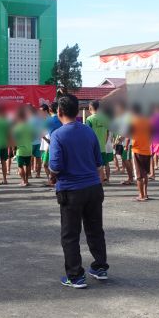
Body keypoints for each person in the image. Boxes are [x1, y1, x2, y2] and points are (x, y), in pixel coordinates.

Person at [48, 94, 108, 289]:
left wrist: (52, 175)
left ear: (59, 112)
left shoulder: (58, 134)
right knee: (95, 229)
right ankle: (100, 267)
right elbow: (98, 160)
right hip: (93, 187)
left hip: (71, 190)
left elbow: (55, 165)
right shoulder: (88, 131)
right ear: (77, 111)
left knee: (70, 234)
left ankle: (75, 275)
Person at [129, 104, 153, 201]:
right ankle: (146, 194)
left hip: (137, 150)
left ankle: (141, 195)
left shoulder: (133, 121)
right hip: (147, 150)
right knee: (145, 174)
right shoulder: (148, 121)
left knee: (138, 175)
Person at [85, 101, 112, 183]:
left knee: (94, 165)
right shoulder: (106, 118)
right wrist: (105, 141)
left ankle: (97, 181)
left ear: (90, 108)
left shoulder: (89, 119)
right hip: (103, 146)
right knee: (106, 163)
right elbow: (108, 132)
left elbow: (87, 133)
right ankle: (107, 180)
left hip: (93, 146)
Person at [41, 102, 63, 186]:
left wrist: (47, 140)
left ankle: (52, 181)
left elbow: (41, 133)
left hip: (52, 145)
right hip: (62, 144)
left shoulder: (48, 120)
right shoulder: (61, 118)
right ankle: (55, 180)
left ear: (50, 110)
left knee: (47, 164)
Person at [12, 106, 35, 186]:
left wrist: (13, 149)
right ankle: (27, 181)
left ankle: (23, 181)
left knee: (20, 166)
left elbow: (14, 140)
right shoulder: (29, 126)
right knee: (28, 165)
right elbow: (33, 137)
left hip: (20, 149)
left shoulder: (17, 127)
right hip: (29, 148)